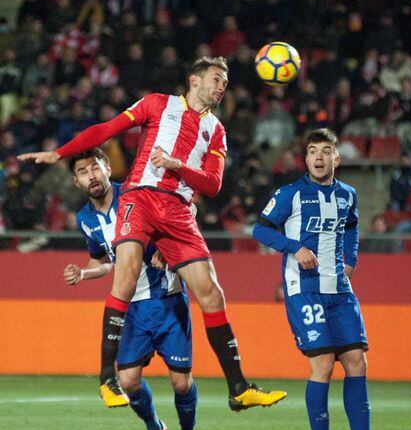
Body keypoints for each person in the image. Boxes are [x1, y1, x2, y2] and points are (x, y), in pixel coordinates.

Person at [18, 56, 286, 411]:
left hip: (177, 210)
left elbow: (214, 184)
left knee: (212, 294)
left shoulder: (216, 130)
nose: (222, 87)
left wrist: (178, 166)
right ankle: (106, 379)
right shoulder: (157, 103)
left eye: (225, 81)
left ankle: (238, 387)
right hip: (140, 197)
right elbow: (108, 129)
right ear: (194, 79)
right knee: (125, 277)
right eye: (217, 79)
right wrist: (59, 153)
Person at [253, 128, 390, 430]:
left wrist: (351, 260)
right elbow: (261, 229)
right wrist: (293, 248)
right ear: (306, 159)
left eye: (325, 151)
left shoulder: (348, 194)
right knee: (324, 365)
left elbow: (352, 229)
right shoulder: (291, 194)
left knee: (357, 361)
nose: (318, 157)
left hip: (340, 290)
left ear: (336, 158)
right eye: (312, 151)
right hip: (305, 289)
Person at [64, 149, 196, 430]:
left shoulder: (138, 192)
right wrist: (85, 272)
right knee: (127, 380)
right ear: (76, 181)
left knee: (181, 383)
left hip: (167, 299)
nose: (91, 175)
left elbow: (185, 211)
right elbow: (105, 260)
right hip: (130, 307)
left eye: (95, 167)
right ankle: (155, 429)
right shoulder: (86, 219)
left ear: (108, 167)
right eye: (83, 172)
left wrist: (168, 253)